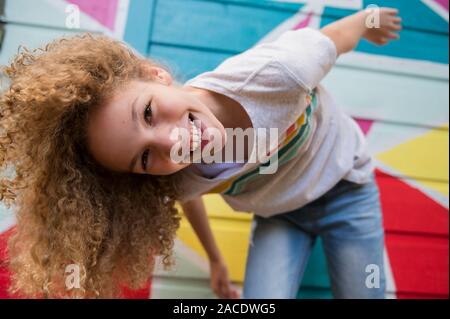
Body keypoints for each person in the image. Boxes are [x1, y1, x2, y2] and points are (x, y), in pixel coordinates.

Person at [0, 7, 401, 298]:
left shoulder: (278, 72)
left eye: (149, 113)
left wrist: (368, 22)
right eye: (143, 158)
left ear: (155, 75)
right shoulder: (176, 173)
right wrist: (215, 259)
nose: (172, 142)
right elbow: (187, 196)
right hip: (281, 215)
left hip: (346, 190)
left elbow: (335, 38)